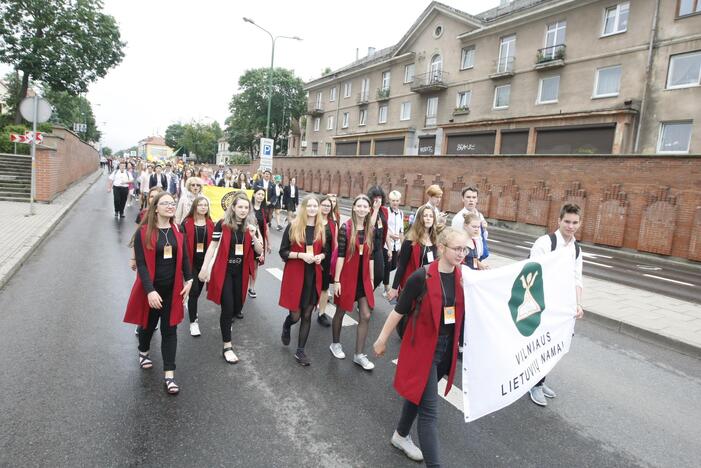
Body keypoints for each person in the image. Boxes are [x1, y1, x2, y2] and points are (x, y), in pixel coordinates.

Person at [373, 227, 468, 466]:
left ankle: (400, 435)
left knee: (416, 397)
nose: (461, 253)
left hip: (445, 351)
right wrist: (382, 339)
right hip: (422, 351)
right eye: (457, 248)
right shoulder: (421, 277)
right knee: (429, 414)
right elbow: (399, 311)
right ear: (441, 248)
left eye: (464, 248)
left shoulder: (463, 276)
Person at [124, 191, 194, 395]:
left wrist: (189, 279)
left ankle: (169, 375)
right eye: (165, 203)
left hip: (173, 289)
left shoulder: (177, 229)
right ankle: (143, 351)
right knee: (147, 325)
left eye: (173, 203)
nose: (171, 206)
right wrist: (150, 291)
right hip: (153, 290)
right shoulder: (144, 231)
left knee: (169, 330)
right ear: (156, 207)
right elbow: (143, 265)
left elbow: (185, 257)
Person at [527, 203, 584, 407]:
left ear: (580, 223)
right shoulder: (545, 243)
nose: (570, 226)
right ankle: (534, 383)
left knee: (555, 345)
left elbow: (577, 278)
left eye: (574, 222)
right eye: (567, 221)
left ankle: (539, 381)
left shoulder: (576, 248)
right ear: (559, 221)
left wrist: (577, 304)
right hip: (542, 305)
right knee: (539, 345)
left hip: (563, 307)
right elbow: (531, 274)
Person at [199, 193, 264, 363]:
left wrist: (254, 235)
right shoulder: (222, 224)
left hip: (241, 272)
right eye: (240, 207)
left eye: (246, 207)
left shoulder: (250, 225)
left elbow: (258, 251)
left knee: (236, 307)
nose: (243, 210)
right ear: (233, 208)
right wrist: (204, 268)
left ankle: (228, 322)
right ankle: (227, 346)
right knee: (227, 308)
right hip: (224, 270)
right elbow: (213, 247)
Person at [279, 195, 330, 365]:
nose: (313, 209)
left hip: (313, 276)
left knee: (307, 314)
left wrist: (319, 257)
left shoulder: (322, 228)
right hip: (295, 274)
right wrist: (301, 255)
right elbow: (283, 252)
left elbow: (326, 251)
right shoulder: (293, 226)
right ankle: (287, 325)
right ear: (304, 207)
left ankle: (300, 351)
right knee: (296, 315)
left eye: (315, 206)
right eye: (309, 206)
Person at [330, 194, 376, 370]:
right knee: (340, 312)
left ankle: (359, 354)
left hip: (363, 280)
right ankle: (335, 344)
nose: (363, 209)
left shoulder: (370, 228)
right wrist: (337, 281)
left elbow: (370, 256)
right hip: (347, 278)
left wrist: (371, 279)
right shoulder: (346, 228)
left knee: (365, 315)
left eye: (366, 206)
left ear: (369, 209)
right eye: (360, 206)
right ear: (354, 207)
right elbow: (340, 255)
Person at [387, 204, 438, 302]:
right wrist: (394, 288)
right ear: (419, 218)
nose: (428, 219)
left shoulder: (435, 240)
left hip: (427, 285)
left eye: (431, 216)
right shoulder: (410, 240)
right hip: (411, 283)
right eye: (425, 216)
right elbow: (401, 266)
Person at [181, 196, 214, 337]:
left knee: (198, 290)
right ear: (195, 206)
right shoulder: (186, 223)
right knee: (194, 292)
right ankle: (193, 322)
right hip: (191, 262)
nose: (203, 207)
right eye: (200, 204)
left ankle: (190, 303)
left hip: (205, 263)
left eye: (205, 205)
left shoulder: (211, 224)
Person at [451, 186, 489, 262]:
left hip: (479, 257)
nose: (471, 200)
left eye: (474, 197)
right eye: (468, 197)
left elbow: (483, 238)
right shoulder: (459, 218)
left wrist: (484, 229)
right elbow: (456, 242)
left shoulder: (480, 216)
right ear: (463, 199)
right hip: (466, 259)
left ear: (477, 199)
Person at [316, 195, 336, 327]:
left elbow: (334, 244)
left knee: (324, 287)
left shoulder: (332, 223)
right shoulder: (312, 220)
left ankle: (321, 313)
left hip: (326, 259)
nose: (326, 207)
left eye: (328, 206)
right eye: (323, 205)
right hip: (311, 257)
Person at [247, 187, 271, 298]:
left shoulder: (264, 210)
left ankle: (252, 287)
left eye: (262, 194)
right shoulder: (247, 207)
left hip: (259, 241)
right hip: (247, 239)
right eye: (259, 194)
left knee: (255, 265)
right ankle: (242, 285)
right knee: (245, 264)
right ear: (254, 194)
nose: (260, 196)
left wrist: (269, 243)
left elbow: (266, 227)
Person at [367, 186, 389, 291]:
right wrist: (375, 210)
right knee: (366, 273)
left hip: (378, 245)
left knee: (380, 274)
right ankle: (363, 297)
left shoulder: (384, 211)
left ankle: (369, 292)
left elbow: (385, 229)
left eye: (379, 197)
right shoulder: (367, 209)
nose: (377, 200)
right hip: (368, 245)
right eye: (375, 197)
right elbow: (370, 227)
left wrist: (388, 247)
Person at [384, 190, 404, 296]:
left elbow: (401, 230)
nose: (395, 203)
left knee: (393, 266)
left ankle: (382, 276)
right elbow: (384, 227)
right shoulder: (386, 212)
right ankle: (386, 286)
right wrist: (391, 235)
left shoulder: (401, 213)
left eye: (396, 201)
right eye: (392, 201)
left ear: (400, 201)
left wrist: (402, 244)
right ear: (389, 201)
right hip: (387, 244)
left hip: (397, 245)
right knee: (387, 266)